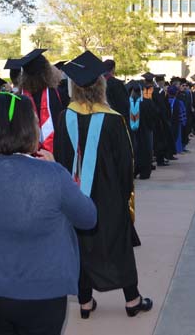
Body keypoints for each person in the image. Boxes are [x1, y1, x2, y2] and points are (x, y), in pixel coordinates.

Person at [0, 93, 97, 335]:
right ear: (26, 130)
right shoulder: (51, 175)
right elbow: (88, 217)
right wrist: (58, 170)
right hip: (41, 292)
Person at [53, 51, 153, 319]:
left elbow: (61, 158)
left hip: (75, 195)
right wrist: (123, 197)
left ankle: (85, 303)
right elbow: (125, 166)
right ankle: (132, 300)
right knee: (118, 244)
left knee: (81, 245)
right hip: (109, 196)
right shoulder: (113, 119)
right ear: (101, 86)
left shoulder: (64, 118)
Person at [11, 49, 65, 153]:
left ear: (24, 75)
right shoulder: (58, 94)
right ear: (47, 72)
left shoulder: (17, 99)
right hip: (54, 154)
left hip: (24, 153)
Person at [128, 80, 158, 179]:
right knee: (146, 151)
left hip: (133, 132)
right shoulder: (147, 102)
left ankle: (134, 170)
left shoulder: (128, 102)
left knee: (134, 151)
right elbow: (155, 115)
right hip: (146, 131)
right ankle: (145, 173)